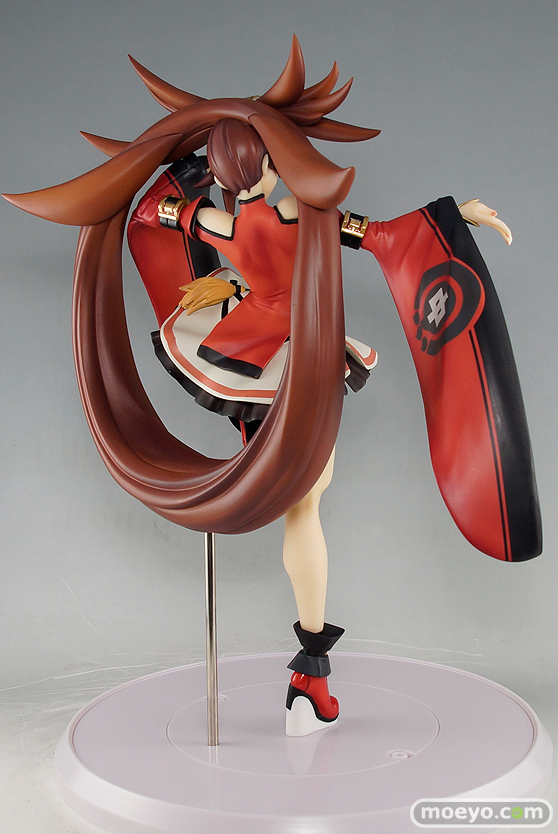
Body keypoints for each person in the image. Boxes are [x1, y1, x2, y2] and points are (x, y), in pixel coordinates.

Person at [3, 37, 540, 737]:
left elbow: (153, 215)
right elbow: (382, 234)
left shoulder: (219, 220)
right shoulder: (303, 217)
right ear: (270, 162)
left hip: (242, 349)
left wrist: (184, 169)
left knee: (295, 494)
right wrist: (451, 219)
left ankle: (307, 663)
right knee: (304, 504)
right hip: (290, 354)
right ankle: (310, 671)